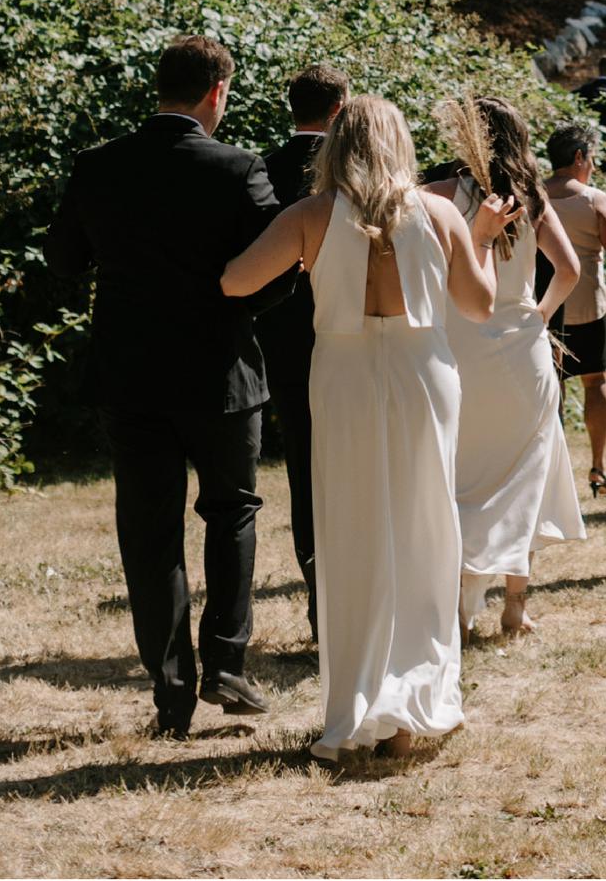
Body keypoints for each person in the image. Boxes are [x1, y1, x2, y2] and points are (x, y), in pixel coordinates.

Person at [221, 95, 513, 762]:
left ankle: (358, 702)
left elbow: (236, 282)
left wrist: (306, 263)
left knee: (353, 528)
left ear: (335, 147)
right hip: (421, 375)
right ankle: (413, 707)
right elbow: (478, 304)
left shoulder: (310, 215)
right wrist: (485, 240)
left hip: (347, 378)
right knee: (421, 527)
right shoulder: (438, 212)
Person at [46, 35, 285, 737]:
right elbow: (279, 267)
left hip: (131, 376)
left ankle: (171, 695)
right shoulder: (241, 169)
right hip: (220, 374)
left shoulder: (98, 167)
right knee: (232, 510)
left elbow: (62, 259)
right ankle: (228, 662)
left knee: (149, 534)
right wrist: (236, 308)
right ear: (217, 91)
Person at [434, 97, 585, 638]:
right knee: (528, 474)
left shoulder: (443, 196)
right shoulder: (533, 198)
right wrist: (538, 318)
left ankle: (455, 604)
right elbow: (568, 270)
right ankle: (515, 610)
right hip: (523, 350)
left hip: (463, 347)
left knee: (463, 472)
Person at [257, 62, 350, 642]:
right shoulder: (359, 175)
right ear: (340, 108)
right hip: (353, 339)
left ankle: (322, 607)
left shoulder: (260, 170)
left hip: (288, 348)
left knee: (304, 476)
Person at [544, 119, 606, 498]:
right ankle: (598, 467)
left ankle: (555, 473)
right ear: (579, 157)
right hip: (589, 307)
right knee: (596, 383)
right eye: (591, 157)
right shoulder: (595, 199)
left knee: (553, 388)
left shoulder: (533, 195)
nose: (593, 164)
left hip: (547, 306)